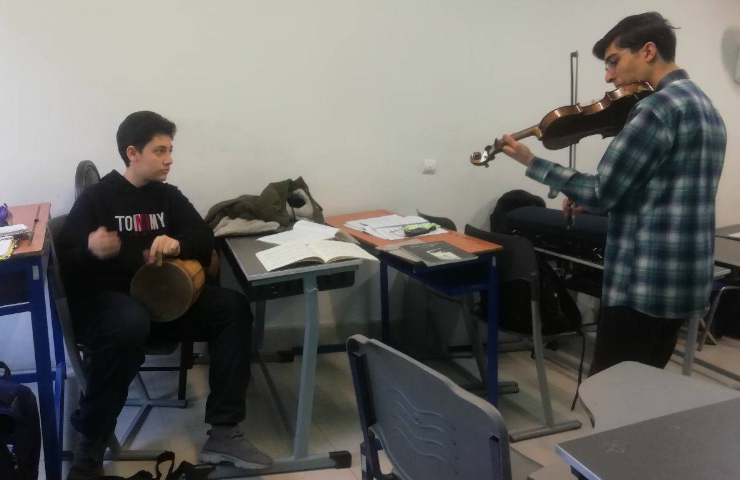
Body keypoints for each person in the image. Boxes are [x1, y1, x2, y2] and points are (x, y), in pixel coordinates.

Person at [499, 12, 726, 375]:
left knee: (608, 390)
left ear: (648, 51)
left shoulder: (657, 108)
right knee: (645, 384)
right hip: (683, 281)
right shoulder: (706, 107)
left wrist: (530, 160)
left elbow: (601, 190)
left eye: (614, 61)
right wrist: (595, 202)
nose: (608, 76)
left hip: (642, 284)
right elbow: (662, 189)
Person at [59, 111, 273, 479]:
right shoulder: (98, 198)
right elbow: (64, 262)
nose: (169, 159)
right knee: (128, 321)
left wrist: (178, 243)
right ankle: (89, 448)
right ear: (132, 153)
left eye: (170, 150)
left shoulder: (168, 197)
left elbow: (204, 238)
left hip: (165, 306)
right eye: (160, 151)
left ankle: (224, 432)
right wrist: (90, 249)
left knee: (232, 307)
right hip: (114, 311)